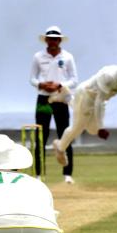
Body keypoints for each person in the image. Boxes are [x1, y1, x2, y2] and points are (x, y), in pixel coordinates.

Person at [30, 26, 78, 184]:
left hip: (61, 99)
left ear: (60, 40)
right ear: (46, 40)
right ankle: (38, 175)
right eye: (50, 38)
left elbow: (74, 80)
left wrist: (58, 85)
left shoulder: (68, 57)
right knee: (40, 136)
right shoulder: (38, 56)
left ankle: (67, 175)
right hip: (44, 100)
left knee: (65, 134)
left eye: (56, 39)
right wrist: (42, 85)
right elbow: (32, 78)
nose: (53, 41)